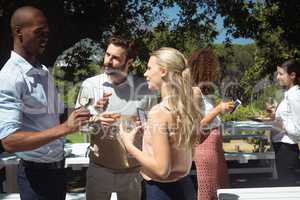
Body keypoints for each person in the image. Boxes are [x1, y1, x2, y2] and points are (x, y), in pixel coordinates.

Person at [0, 6, 90, 200]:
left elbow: (57, 113)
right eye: (39, 32)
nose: (45, 38)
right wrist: (67, 128)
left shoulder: (43, 72)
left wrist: (86, 110)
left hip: (58, 172)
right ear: (19, 32)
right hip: (36, 178)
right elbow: (9, 141)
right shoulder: (9, 77)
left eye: (47, 33)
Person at [78, 36, 156, 200]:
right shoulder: (90, 85)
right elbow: (78, 125)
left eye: (115, 58)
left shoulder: (145, 89)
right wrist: (95, 116)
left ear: (129, 62)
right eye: (107, 55)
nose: (108, 61)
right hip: (99, 170)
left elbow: (152, 129)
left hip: (132, 173)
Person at [119, 47, 201, 200]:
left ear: (163, 71)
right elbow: (189, 152)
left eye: (149, 68)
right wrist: (151, 133)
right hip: (185, 187)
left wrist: (129, 145)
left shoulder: (159, 112)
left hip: (162, 192)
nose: (145, 74)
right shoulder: (187, 106)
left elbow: (162, 170)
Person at [188, 48, 234, 200]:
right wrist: (218, 109)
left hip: (214, 144)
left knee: (219, 187)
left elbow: (209, 118)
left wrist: (222, 110)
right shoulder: (195, 92)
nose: (214, 73)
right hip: (204, 145)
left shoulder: (203, 92)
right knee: (208, 190)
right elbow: (198, 125)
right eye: (211, 69)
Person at [268, 58, 300, 186]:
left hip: (287, 148)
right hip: (281, 147)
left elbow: (298, 130)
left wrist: (281, 125)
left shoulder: (295, 96)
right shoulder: (288, 94)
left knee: (288, 187)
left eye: (281, 74)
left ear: (292, 75)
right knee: (285, 186)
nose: (278, 77)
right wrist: (274, 117)